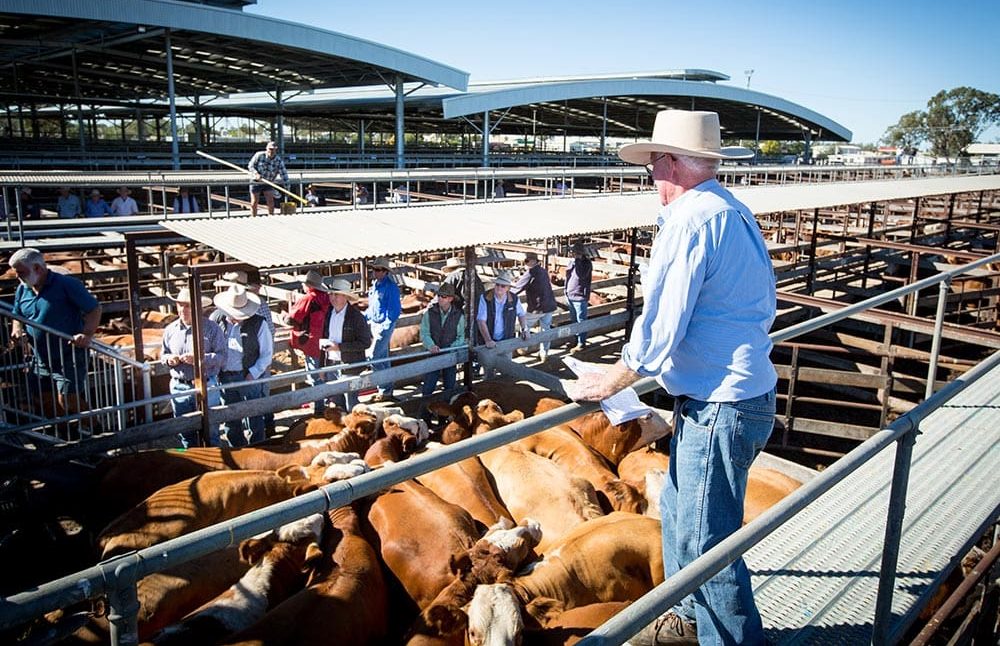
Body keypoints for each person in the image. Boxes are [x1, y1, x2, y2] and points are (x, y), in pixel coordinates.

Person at [564, 110, 774, 646]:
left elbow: (661, 321)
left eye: (654, 163)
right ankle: (686, 620)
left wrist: (615, 378)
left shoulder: (690, 221)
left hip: (719, 402)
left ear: (674, 164)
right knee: (681, 514)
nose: (651, 175)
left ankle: (727, 640)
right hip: (734, 394)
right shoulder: (732, 210)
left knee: (707, 544)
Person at [9, 247, 102, 424]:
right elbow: (16, 315)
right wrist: (17, 329)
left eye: (21, 272)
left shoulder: (66, 284)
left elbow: (94, 309)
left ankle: (98, 431)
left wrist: (86, 334)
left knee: (68, 399)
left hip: (68, 354)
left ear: (37, 268)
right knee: (44, 399)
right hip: (39, 357)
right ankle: (67, 435)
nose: (17, 277)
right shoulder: (23, 289)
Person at [161, 287, 226, 448]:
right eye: (180, 305)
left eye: (188, 305)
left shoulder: (212, 328)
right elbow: (163, 355)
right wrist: (169, 360)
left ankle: (214, 466)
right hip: (179, 385)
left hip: (206, 383)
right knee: (185, 430)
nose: (183, 309)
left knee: (211, 431)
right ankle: (193, 463)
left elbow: (223, 357)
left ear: (198, 307)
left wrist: (200, 359)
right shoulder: (170, 330)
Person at [214, 269, 275, 432]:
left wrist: (253, 373)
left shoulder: (258, 322)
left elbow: (267, 353)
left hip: (247, 375)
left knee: (254, 418)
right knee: (230, 419)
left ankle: (258, 446)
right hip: (226, 376)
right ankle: (239, 448)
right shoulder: (216, 320)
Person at [318, 278, 372, 412]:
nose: (332, 297)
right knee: (337, 404)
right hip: (332, 364)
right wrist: (322, 367)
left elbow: (365, 342)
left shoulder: (356, 317)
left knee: (351, 403)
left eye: (336, 294)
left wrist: (340, 347)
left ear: (345, 297)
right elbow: (323, 340)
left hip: (351, 366)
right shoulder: (329, 314)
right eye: (331, 294)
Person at [286, 269, 332, 415]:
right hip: (327, 340)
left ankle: (319, 408)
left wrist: (283, 317)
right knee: (326, 372)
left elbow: (291, 319)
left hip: (312, 342)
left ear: (308, 285)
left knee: (314, 375)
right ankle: (327, 402)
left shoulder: (308, 298)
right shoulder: (327, 297)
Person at [475, 270, 528, 380]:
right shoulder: (485, 297)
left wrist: (525, 329)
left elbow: (521, 314)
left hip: (506, 340)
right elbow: (481, 320)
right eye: (497, 285)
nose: (499, 288)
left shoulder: (514, 299)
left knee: (507, 371)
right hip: (490, 341)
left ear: (508, 288)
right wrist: (488, 340)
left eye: (503, 286)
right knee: (489, 372)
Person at [420, 282, 466, 399]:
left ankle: (444, 415)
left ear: (450, 299)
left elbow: (461, 336)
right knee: (428, 388)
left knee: (449, 387)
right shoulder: (429, 314)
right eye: (439, 296)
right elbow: (424, 333)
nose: (440, 298)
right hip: (433, 354)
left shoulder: (459, 316)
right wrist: (431, 346)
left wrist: (451, 347)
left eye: (443, 296)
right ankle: (424, 414)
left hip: (450, 354)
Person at [365, 257, 401, 402]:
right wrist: (364, 317)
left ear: (386, 272)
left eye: (379, 269)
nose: (375, 272)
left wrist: (385, 326)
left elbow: (394, 311)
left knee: (374, 357)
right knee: (383, 357)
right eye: (374, 269)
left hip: (383, 326)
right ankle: (386, 391)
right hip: (374, 323)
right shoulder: (375, 286)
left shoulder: (391, 287)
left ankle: (385, 388)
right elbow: (372, 307)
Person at [512, 251, 557, 361]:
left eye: (527, 261)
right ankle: (544, 353)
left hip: (537, 308)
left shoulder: (530, 273)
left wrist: (505, 295)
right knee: (546, 330)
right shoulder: (543, 271)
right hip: (549, 306)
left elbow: (517, 288)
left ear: (533, 261)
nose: (525, 263)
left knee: (524, 326)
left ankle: (523, 347)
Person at [248, 141, 289, 216]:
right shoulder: (259, 155)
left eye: (273, 149)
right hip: (256, 181)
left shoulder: (278, 160)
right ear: (266, 149)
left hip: (268, 182)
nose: (272, 151)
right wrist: (256, 173)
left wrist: (287, 188)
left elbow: (284, 174)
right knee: (254, 202)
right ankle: (253, 217)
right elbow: (251, 166)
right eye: (270, 149)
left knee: (270, 202)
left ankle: (271, 217)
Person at [565, 242, 593, 351]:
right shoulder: (571, 262)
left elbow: (581, 275)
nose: (572, 254)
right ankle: (575, 340)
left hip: (580, 296)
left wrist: (577, 260)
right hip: (571, 294)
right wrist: (566, 291)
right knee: (573, 320)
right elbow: (568, 276)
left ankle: (582, 343)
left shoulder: (586, 264)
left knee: (581, 320)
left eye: (574, 252)